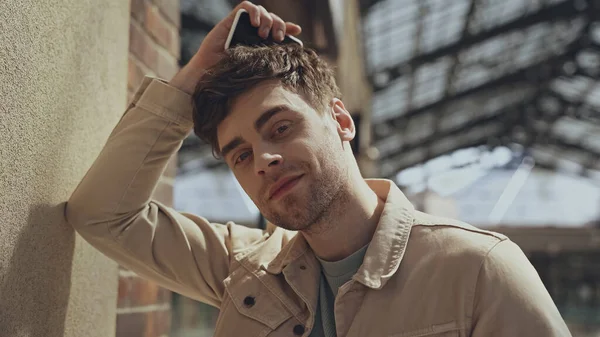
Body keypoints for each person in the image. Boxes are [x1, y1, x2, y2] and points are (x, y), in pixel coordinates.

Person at [66, 2, 572, 336]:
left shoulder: (478, 269)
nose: (262, 159)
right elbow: (101, 215)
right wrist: (191, 80)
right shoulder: (244, 270)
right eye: (239, 154)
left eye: (280, 127)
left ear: (341, 120)